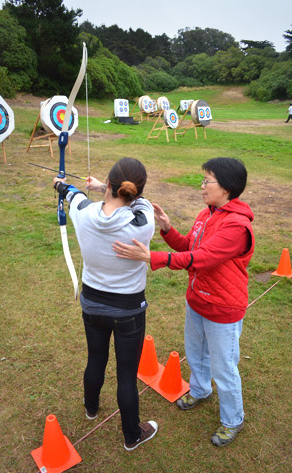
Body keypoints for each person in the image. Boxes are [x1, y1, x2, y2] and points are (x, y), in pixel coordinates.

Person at [113, 157, 255, 447]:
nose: (201, 186)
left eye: (207, 181)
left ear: (226, 188)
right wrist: (167, 229)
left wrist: (152, 257)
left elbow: (201, 259)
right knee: (196, 351)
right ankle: (200, 390)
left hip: (223, 308)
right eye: (202, 179)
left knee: (224, 367)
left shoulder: (237, 227)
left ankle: (233, 418)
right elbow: (190, 246)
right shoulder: (207, 214)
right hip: (198, 300)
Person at [53, 157, 158, 451]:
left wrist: (62, 185)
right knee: (126, 374)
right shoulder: (142, 222)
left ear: (110, 185)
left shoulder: (83, 212)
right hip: (128, 311)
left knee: (95, 359)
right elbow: (141, 203)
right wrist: (104, 187)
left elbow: (71, 194)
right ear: (135, 192)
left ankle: (91, 408)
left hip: (92, 305)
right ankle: (131, 436)